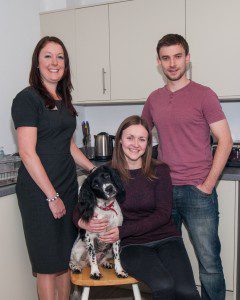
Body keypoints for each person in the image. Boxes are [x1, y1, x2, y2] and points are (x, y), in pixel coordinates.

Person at [142, 34, 233, 300]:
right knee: (168, 262)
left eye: (177, 56)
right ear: (159, 62)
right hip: (165, 193)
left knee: (209, 264)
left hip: (198, 192)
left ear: (188, 59)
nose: (172, 63)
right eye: (166, 58)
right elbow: (138, 138)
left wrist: (208, 185)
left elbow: (225, 141)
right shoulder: (154, 99)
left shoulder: (204, 95)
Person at [74, 115, 201, 300]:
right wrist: (83, 222)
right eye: (130, 137)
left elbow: (163, 214)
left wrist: (122, 230)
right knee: (164, 286)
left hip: (166, 238)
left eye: (142, 139)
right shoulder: (107, 173)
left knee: (187, 292)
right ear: (119, 141)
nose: (135, 144)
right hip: (131, 244)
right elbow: (81, 204)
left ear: (148, 144)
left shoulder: (160, 170)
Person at [11, 36, 96, 300]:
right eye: (47, 56)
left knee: (65, 260)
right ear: (37, 63)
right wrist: (51, 196)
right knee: (48, 266)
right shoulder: (27, 99)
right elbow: (27, 152)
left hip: (67, 187)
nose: (54, 62)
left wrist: (95, 170)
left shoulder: (64, 99)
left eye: (60, 56)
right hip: (40, 192)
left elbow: (69, 146)